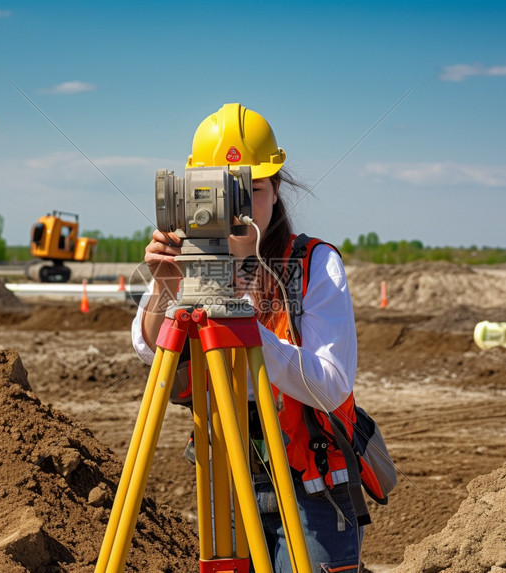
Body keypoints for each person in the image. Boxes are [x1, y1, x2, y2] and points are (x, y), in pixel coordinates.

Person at [131, 103, 362, 572]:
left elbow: (332, 383)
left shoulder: (314, 264)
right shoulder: (183, 258)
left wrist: (242, 326)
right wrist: (164, 288)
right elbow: (152, 349)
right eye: (220, 192)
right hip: (228, 480)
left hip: (310, 486)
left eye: (251, 190)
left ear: (276, 191)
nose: (237, 207)